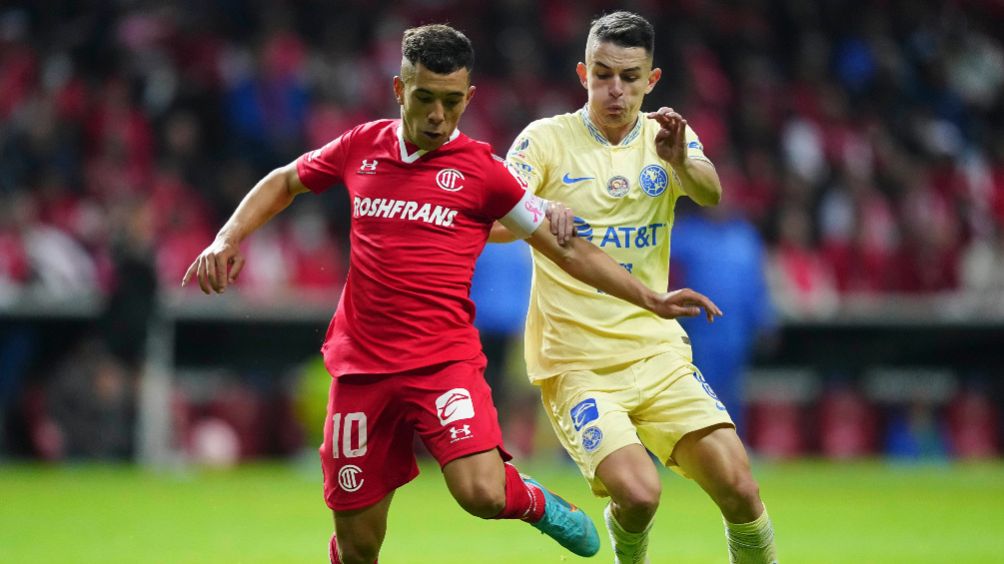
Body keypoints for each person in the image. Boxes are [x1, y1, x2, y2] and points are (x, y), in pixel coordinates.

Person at [182, 24, 721, 564]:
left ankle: (537, 504)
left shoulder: (485, 173)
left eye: (451, 102)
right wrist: (227, 238)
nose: (437, 116)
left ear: (469, 98)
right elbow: (284, 180)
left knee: (481, 493)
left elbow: (570, 251)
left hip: (442, 363)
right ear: (399, 90)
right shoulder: (360, 147)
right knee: (358, 546)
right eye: (424, 99)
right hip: (360, 370)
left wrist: (648, 298)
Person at [498, 12, 779, 563]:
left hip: (656, 352)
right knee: (640, 493)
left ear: (652, 81)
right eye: (603, 74)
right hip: (577, 363)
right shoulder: (544, 141)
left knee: (741, 489)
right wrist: (537, 208)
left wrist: (681, 162)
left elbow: (712, 193)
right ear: (583, 73)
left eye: (630, 77)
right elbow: (494, 219)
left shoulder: (666, 136)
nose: (615, 89)